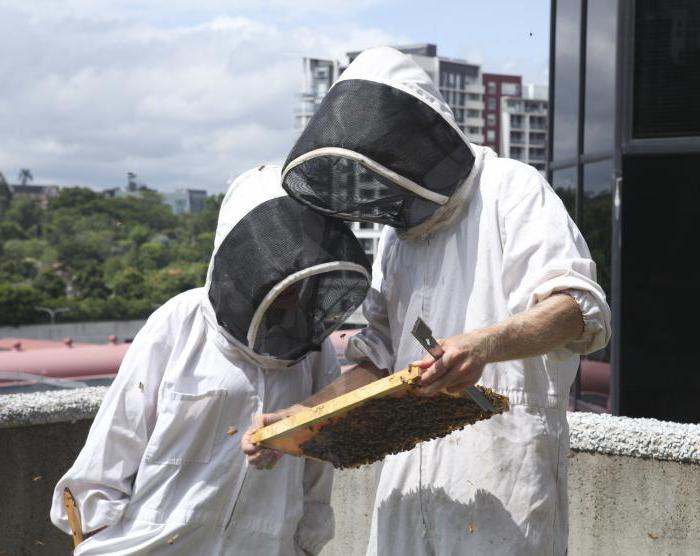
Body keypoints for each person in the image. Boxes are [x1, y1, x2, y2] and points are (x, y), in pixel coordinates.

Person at [246, 47, 612, 555]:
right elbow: (377, 359)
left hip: (501, 480)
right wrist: (299, 416)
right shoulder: (399, 240)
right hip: (408, 484)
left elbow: (576, 310)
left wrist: (483, 345)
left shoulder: (513, 189)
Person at [50, 165, 372, 555]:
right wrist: (98, 534)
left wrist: (305, 544)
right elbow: (117, 440)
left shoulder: (313, 347)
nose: (291, 278)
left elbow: (318, 464)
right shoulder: (178, 321)